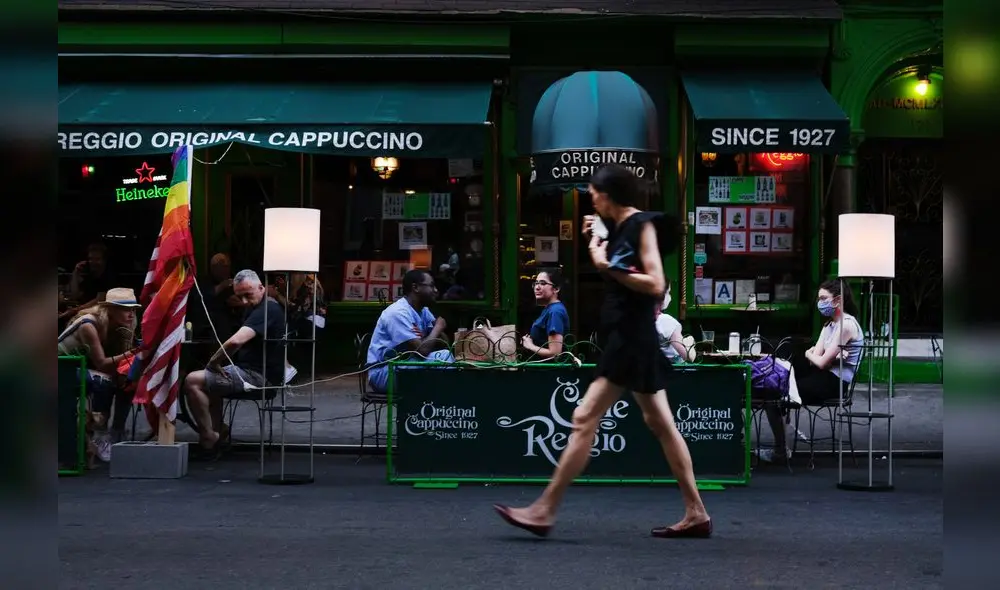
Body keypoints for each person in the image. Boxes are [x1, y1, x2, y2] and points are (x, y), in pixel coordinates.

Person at [493, 164, 712, 539]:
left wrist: (603, 262)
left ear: (607, 196)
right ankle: (696, 511)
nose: (589, 198)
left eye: (593, 192)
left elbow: (655, 282)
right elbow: (617, 261)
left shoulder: (641, 225)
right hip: (628, 337)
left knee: (583, 418)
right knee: (661, 424)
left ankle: (544, 510)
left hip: (631, 339)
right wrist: (597, 242)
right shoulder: (620, 228)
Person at [755, 280, 863, 463]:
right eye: (819, 298)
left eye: (823, 298)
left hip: (834, 383)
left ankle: (780, 452)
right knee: (780, 379)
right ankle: (782, 448)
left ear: (837, 300)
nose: (820, 303)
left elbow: (820, 362)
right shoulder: (829, 325)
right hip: (822, 376)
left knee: (774, 397)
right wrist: (817, 356)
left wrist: (812, 354)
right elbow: (817, 361)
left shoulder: (846, 325)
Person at [182, 269, 286, 453]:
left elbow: (237, 340)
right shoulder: (255, 307)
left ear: (261, 287)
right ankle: (218, 429)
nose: (244, 302)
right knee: (209, 379)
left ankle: (209, 434)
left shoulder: (268, 309)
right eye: (240, 296)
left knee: (192, 380)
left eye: (248, 295)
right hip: (248, 370)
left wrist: (213, 362)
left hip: (260, 377)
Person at [57, 287, 141, 462]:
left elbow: (116, 363)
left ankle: (117, 433)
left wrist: (125, 374)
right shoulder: (89, 324)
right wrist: (135, 352)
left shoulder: (120, 326)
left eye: (133, 309)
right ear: (110, 309)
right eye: (125, 309)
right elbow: (102, 363)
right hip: (58, 368)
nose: (131, 314)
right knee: (103, 380)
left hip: (79, 367)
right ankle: (99, 433)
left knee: (127, 381)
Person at [366, 269, 454, 393]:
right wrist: (438, 327)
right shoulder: (398, 312)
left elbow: (446, 343)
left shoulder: (423, 310)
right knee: (444, 357)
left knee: (445, 355)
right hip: (383, 373)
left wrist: (436, 330)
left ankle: (437, 405)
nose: (436, 291)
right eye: (432, 286)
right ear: (416, 287)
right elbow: (422, 350)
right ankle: (442, 404)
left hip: (404, 365)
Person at [61, 243, 120, 320]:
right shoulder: (89, 273)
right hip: (85, 311)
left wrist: (74, 310)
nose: (93, 262)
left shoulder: (109, 276)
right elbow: (74, 294)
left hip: (101, 314)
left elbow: (99, 300)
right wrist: (75, 272)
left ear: (104, 260)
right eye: (91, 259)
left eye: (97, 259)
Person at [520, 269, 570, 360]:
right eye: (536, 283)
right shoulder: (549, 308)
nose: (537, 287)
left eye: (543, 283)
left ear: (556, 289)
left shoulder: (555, 311)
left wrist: (530, 345)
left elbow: (555, 353)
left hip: (549, 372)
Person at [655, 279, 696, 364]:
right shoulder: (665, 321)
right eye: (668, 292)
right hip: (671, 374)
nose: (669, 296)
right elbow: (688, 356)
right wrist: (690, 342)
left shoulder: (636, 319)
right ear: (660, 295)